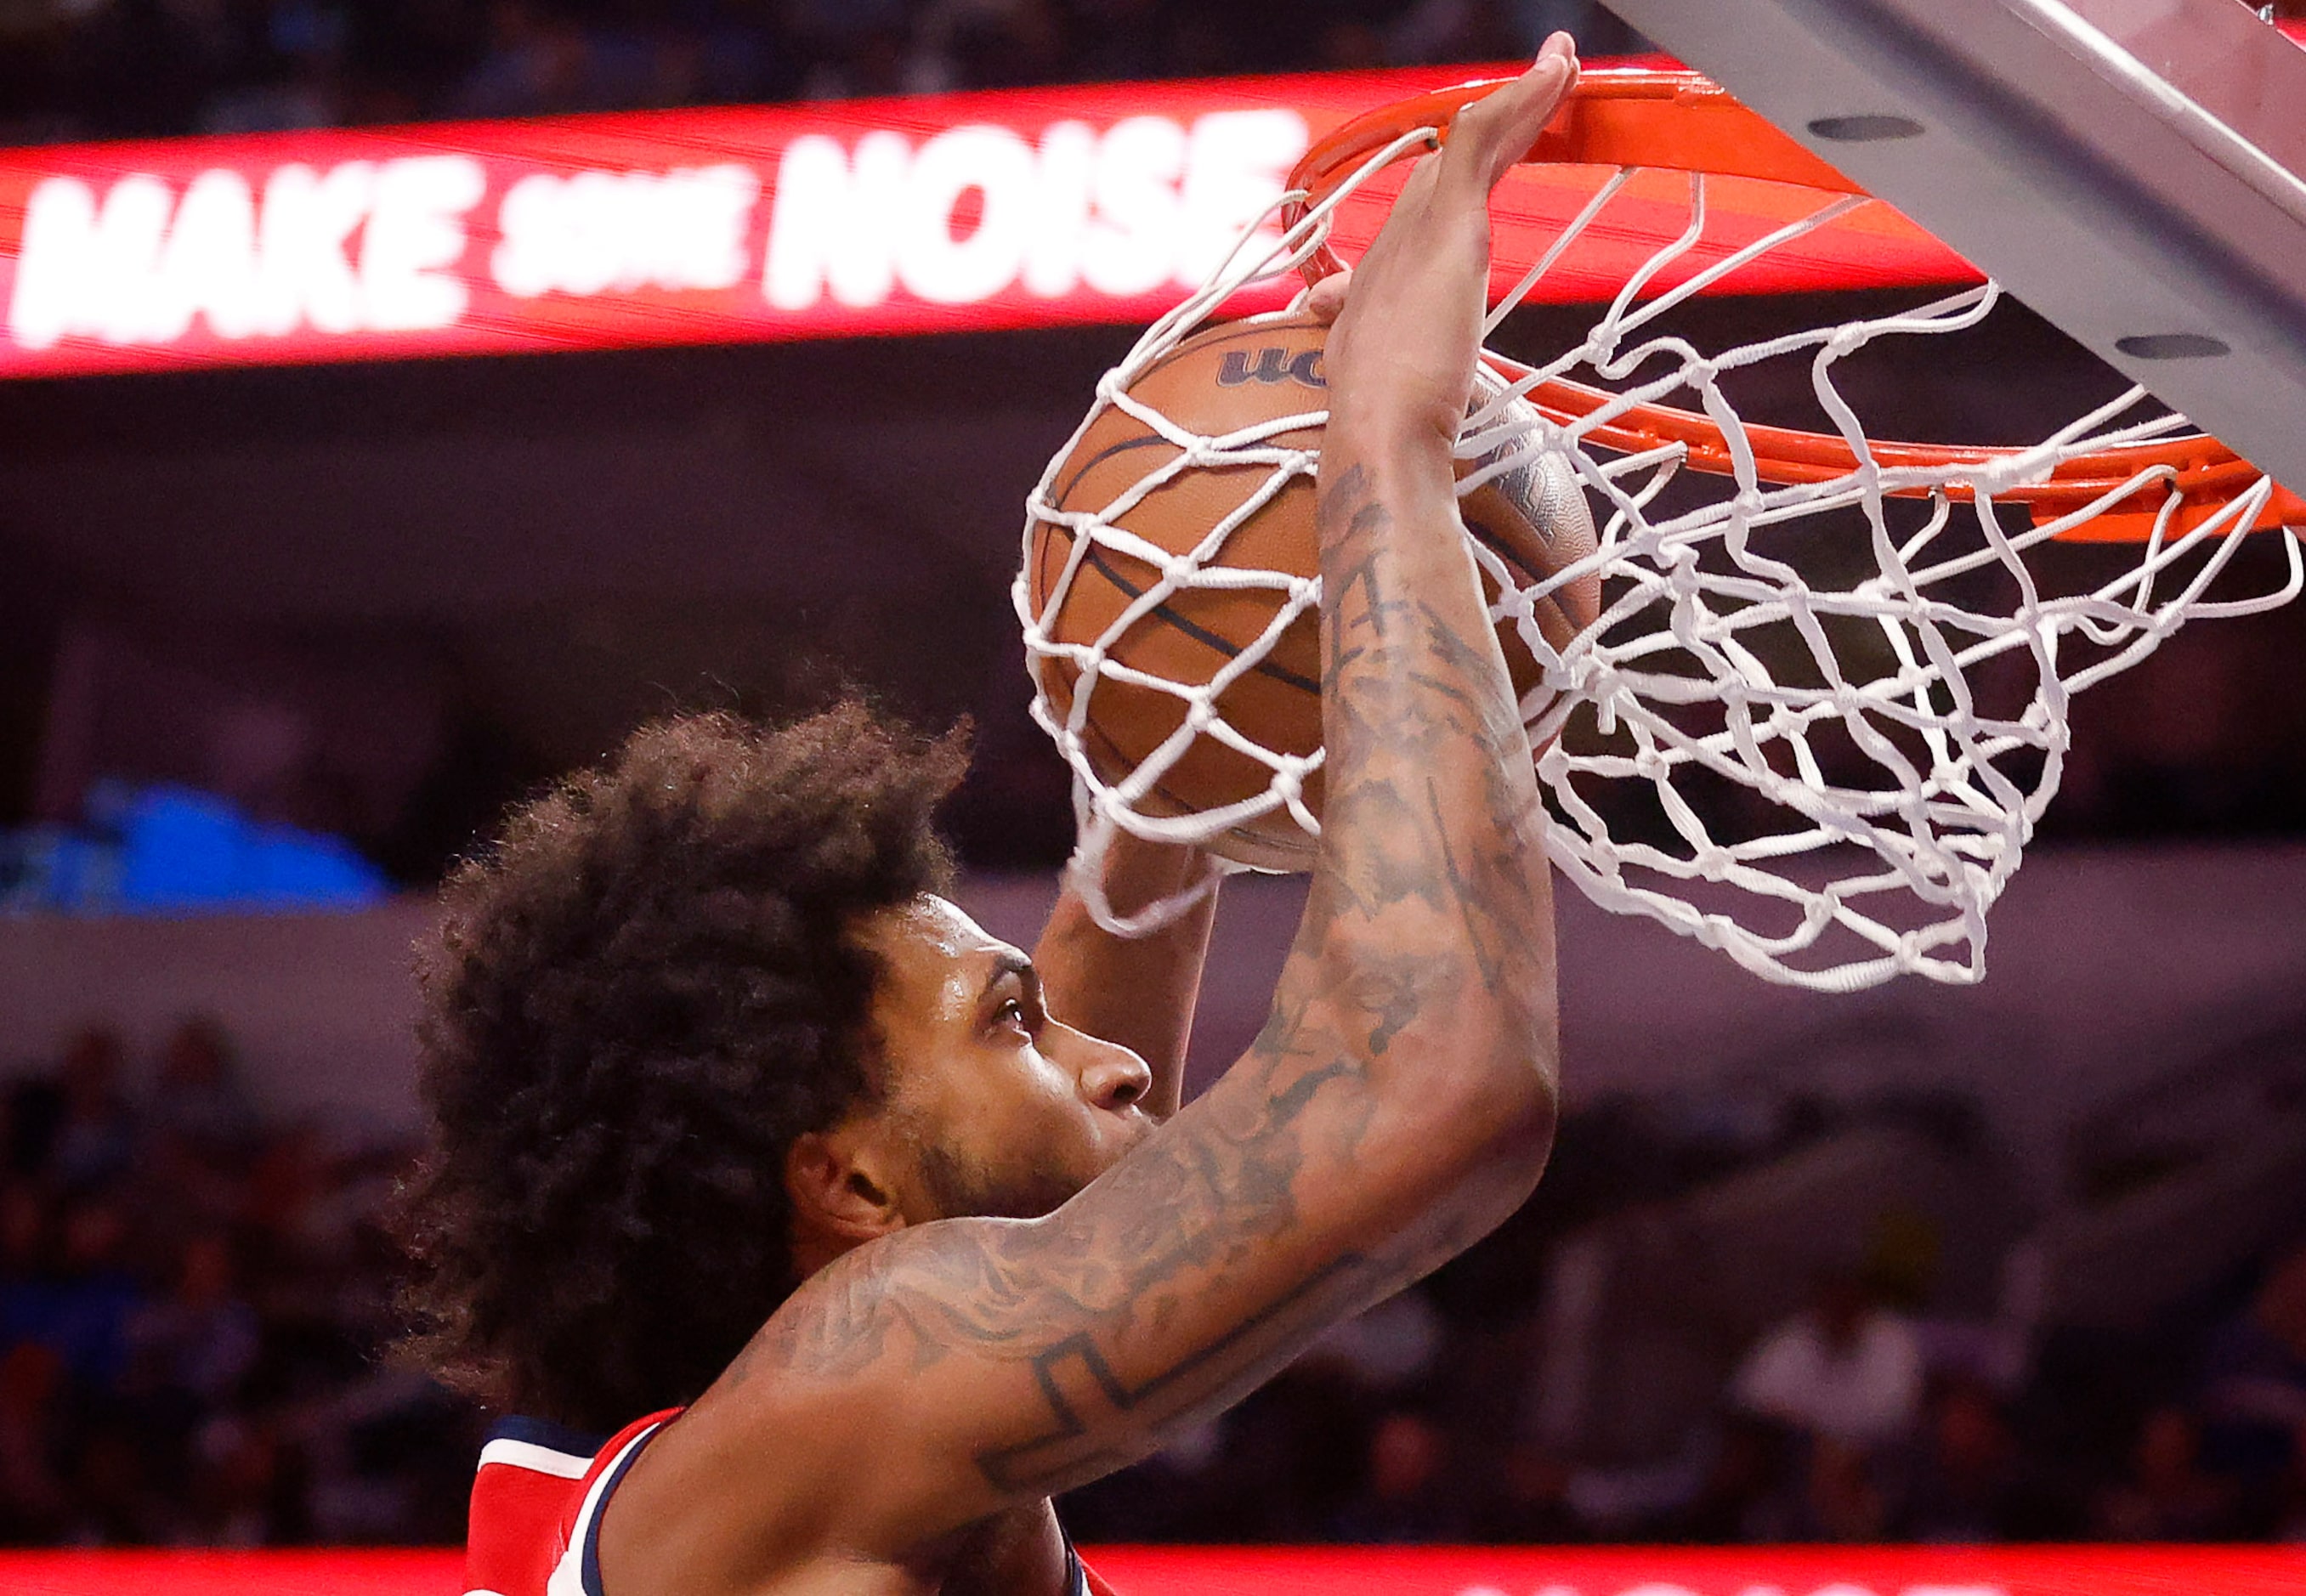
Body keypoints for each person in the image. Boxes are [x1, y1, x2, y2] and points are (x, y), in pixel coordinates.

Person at [399, 36, 1583, 1596]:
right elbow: (1430, 1079)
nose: (1109, 1059)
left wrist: (1199, 630)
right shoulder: (856, 1371)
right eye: (1010, 1020)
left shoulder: (795, 1459)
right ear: (851, 1187)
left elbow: (1097, 1105)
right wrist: (1381, 443)